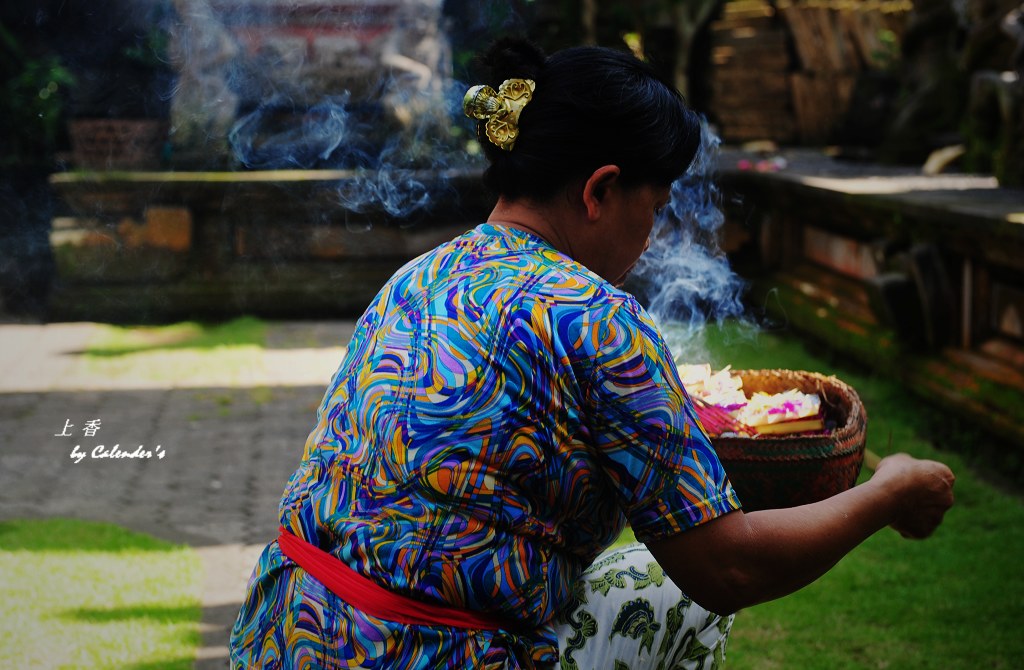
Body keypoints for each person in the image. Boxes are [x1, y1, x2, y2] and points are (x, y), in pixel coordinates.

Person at [229, 38, 955, 669]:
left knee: (637, 574)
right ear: (602, 189)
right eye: (657, 205)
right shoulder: (599, 319)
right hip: (429, 654)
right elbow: (727, 566)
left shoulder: (418, 277)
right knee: (671, 590)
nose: (656, 233)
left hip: (284, 634)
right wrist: (887, 491)